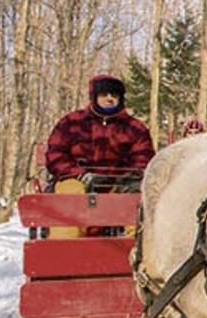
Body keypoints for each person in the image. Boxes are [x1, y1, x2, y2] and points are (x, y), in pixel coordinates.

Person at [45, 75, 155, 237]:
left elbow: (144, 158)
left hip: (119, 184)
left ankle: (135, 246)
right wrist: (79, 175)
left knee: (134, 199)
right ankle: (65, 246)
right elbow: (55, 155)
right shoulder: (71, 123)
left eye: (114, 95)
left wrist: (128, 178)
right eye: (104, 95)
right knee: (71, 194)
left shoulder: (134, 128)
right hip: (76, 180)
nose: (110, 99)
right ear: (94, 97)